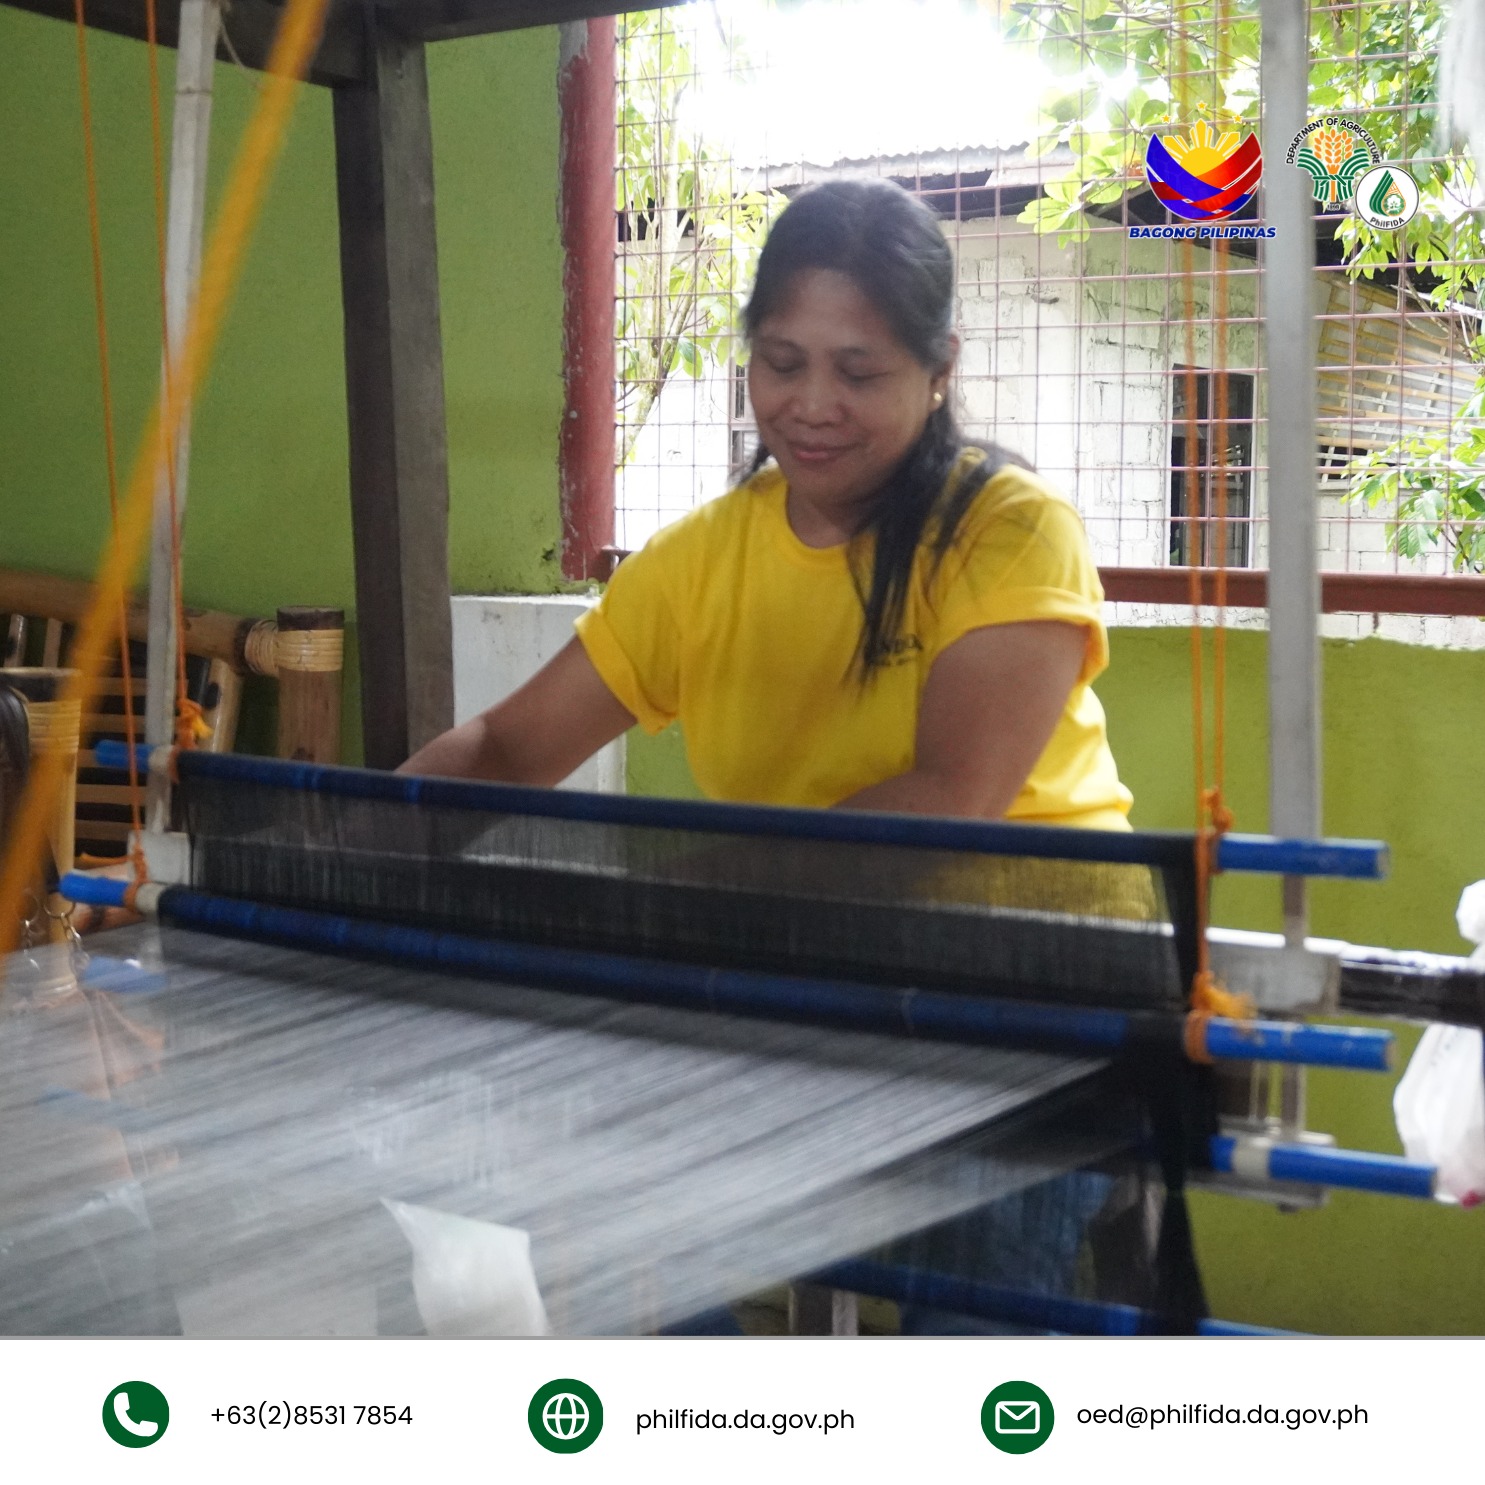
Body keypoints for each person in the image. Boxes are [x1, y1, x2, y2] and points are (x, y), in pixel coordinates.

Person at [402, 178, 1131, 836]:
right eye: (782, 364)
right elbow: (508, 749)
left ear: (939, 367)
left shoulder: (1007, 530)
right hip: (803, 947)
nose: (812, 406)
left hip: (1041, 948)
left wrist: (707, 891)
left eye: (859, 372)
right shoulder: (697, 562)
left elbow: (948, 801)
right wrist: (353, 836)